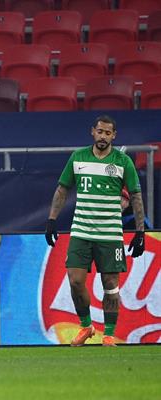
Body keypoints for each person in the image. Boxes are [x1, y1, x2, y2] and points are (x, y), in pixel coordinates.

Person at [45, 115, 145, 347]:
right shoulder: (78, 157)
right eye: (99, 131)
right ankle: (86, 325)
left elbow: (136, 197)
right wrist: (51, 220)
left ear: (114, 136)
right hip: (81, 231)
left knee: (110, 284)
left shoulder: (122, 162)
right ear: (93, 132)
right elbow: (62, 189)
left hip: (110, 233)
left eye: (108, 133)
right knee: (75, 281)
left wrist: (140, 233)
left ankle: (108, 333)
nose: (103, 136)